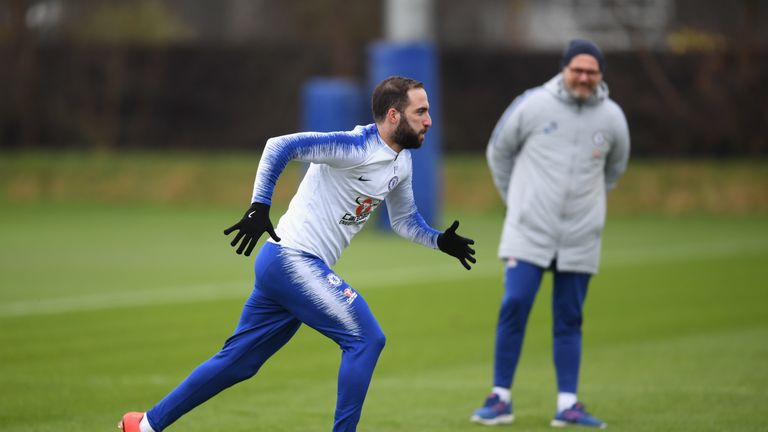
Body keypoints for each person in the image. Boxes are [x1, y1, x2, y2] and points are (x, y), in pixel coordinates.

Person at [118, 76, 476, 432]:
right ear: (395, 116)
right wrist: (260, 205)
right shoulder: (354, 147)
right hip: (291, 260)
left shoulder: (401, 163)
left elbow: (404, 221)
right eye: (421, 111)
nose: (429, 120)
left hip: (288, 266)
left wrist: (439, 241)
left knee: (238, 363)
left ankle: (146, 424)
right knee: (366, 339)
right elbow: (279, 146)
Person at [470, 39, 630, 428]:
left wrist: (586, 207)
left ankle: (568, 405)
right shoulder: (532, 104)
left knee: (569, 317)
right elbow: (499, 152)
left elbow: (615, 168)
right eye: (578, 70)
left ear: (600, 75)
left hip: (580, 235)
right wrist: (518, 200)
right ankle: (500, 398)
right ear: (564, 69)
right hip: (529, 232)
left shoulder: (612, 118)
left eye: (592, 72)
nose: (584, 77)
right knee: (515, 305)